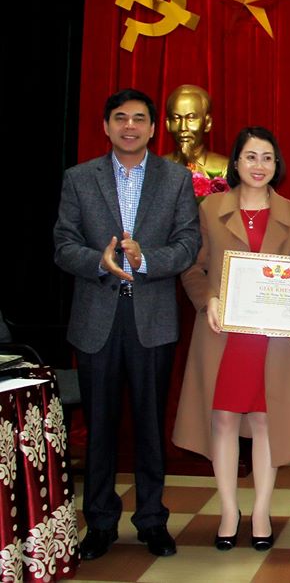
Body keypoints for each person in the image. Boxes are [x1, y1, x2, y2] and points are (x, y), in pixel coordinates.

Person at [53, 88, 201, 560]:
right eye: (120, 118)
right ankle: (99, 523)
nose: (130, 126)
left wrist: (145, 259)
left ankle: (152, 520)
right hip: (96, 319)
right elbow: (63, 244)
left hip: (152, 320)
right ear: (106, 126)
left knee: (149, 426)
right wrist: (98, 262)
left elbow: (188, 243)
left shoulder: (176, 179)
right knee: (99, 427)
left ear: (154, 128)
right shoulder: (79, 178)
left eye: (139, 118)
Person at [172, 126, 290, 551]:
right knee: (223, 419)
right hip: (223, 333)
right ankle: (229, 511)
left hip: (271, 339)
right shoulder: (210, 208)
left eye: (267, 158)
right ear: (235, 162)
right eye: (251, 157)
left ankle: (262, 512)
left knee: (266, 421)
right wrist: (208, 299)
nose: (259, 165)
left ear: (277, 164)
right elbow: (192, 268)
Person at [162, 84, 229, 176]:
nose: (183, 127)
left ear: (207, 123)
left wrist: (192, 162)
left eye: (191, 118)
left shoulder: (224, 167)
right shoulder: (157, 167)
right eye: (176, 118)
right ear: (168, 124)